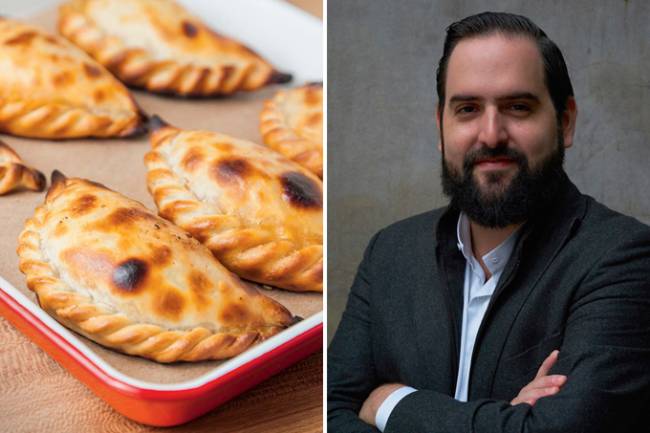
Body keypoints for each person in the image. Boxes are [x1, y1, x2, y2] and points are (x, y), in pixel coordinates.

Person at [327, 11, 650, 433]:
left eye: (518, 107)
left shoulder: (625, 258)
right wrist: (507, 419)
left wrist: (390, 402)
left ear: (565, 121)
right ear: (441, 126)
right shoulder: (390, 251)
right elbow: (329, 415)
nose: (491, 134)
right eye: (467, 109)